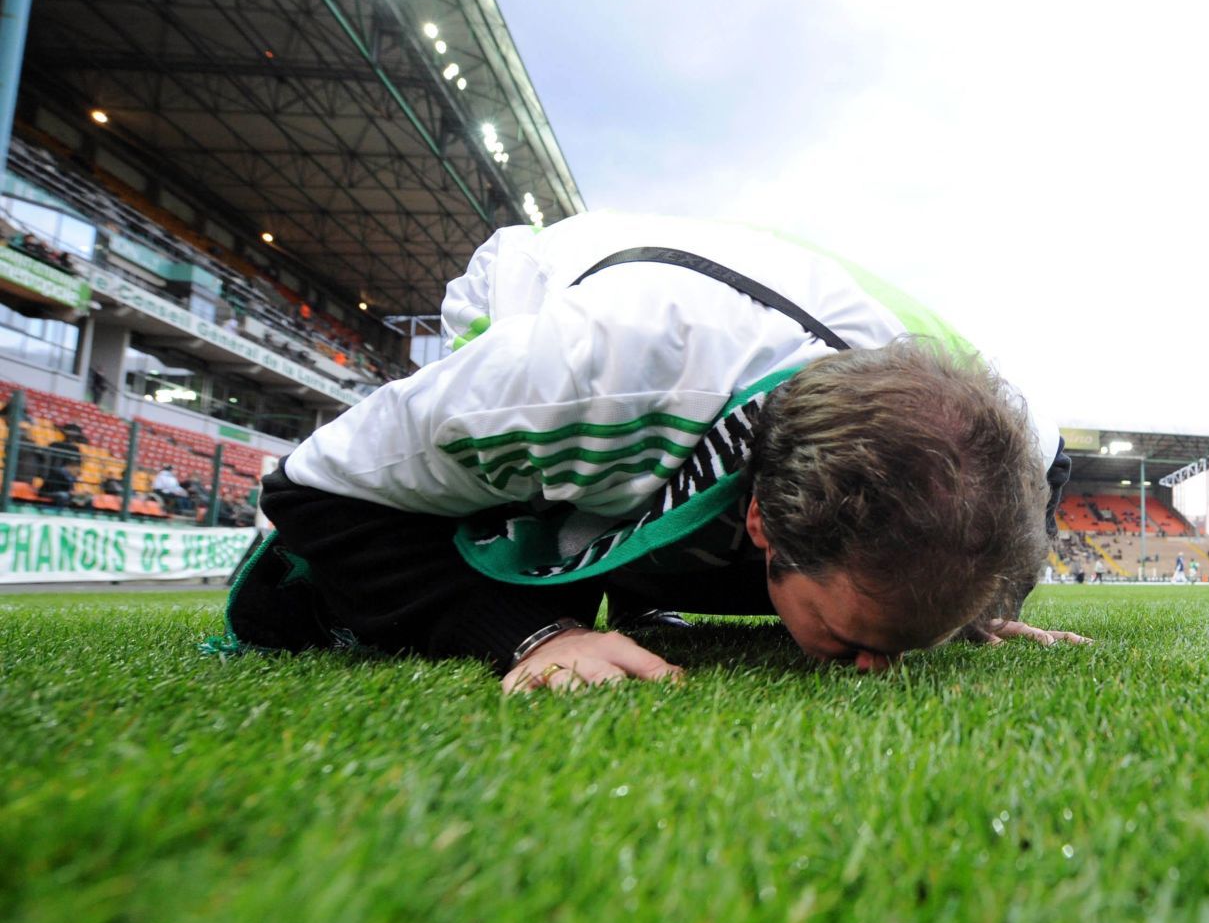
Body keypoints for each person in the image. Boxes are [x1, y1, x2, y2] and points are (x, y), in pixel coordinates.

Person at [224, 213, 1088, 690]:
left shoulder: (1009, 438)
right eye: (855, 637)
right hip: (544, 295)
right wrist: (532, 633)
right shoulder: (584, 375)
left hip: (732, 341)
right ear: (762, 518)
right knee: (501, 534)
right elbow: (314, 491)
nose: (874, 672)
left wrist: (961, 605)